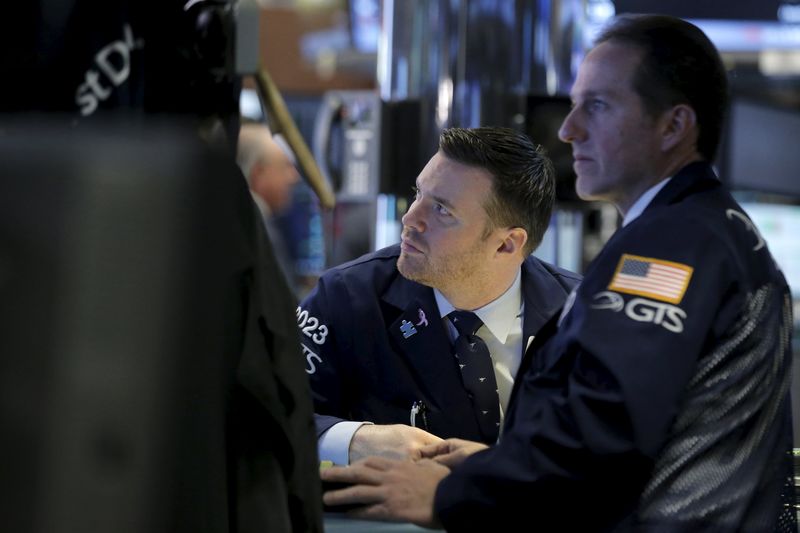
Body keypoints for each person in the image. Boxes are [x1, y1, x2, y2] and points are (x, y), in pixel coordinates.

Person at [320, 14, 796, 532]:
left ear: (674, 126)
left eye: (597, 106)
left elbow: (606, 433)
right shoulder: (709, 227)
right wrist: (491, 467)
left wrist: (451, 492)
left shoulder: (667, 248)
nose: (569, 131)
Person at [300, 126, 581, 466]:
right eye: (418, 194)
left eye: (442, 211)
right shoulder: (347, 297)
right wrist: (354, 440)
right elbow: (262, 415)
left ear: (507, 244)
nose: (410, 218)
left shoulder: (582, 313)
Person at [237, 120, 301, 291]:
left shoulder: (237, 219)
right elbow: (286, 313)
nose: (294, 177)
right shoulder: (259, 230)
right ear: (258, 173)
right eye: (285, 166)